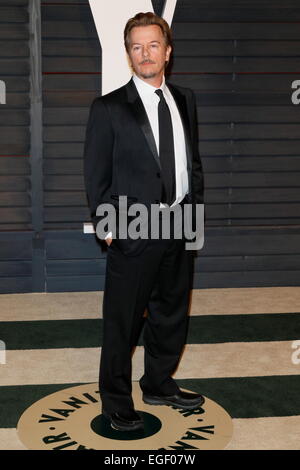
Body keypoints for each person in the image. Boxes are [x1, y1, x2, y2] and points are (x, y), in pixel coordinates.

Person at [84, 12, 204, 432]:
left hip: (180, 222)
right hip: (134, 227)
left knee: (172, 312)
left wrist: (194, 210)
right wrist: (110, 230)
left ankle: (158, 382)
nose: (145, 54)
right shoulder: (110, 107)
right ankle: (116, 401)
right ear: (129, 54)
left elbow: (192, 162)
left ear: (168, 52)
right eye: (137, 47)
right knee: (123, 320)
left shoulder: (185, 99)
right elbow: (95, 176)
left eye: (153, 45)